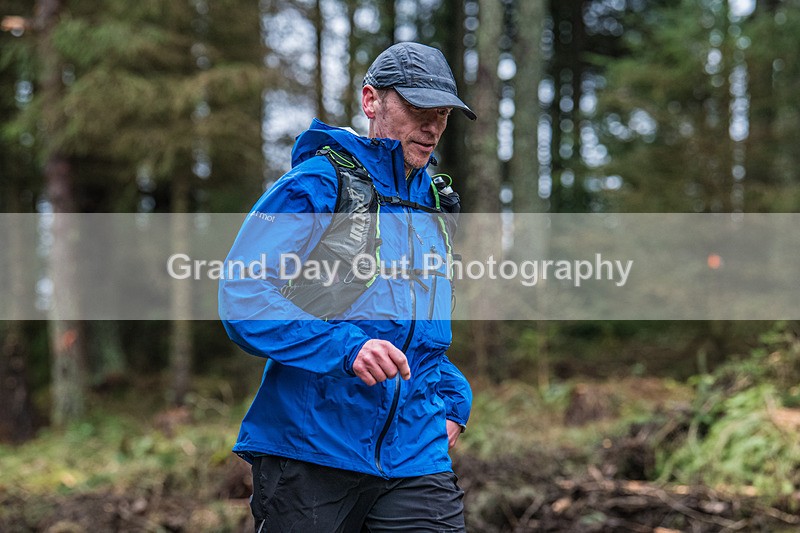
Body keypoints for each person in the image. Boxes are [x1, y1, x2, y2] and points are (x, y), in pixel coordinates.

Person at [219, 41, 475, 532]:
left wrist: (453, 395)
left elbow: (422, 333)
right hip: (313, 447)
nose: (433, 126)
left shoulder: (437, 206)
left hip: (415, 455)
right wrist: (347, 349)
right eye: (419, 108)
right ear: (372, 101)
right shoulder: (317, 183)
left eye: (442, 113)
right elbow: (243, 296)